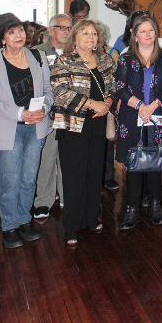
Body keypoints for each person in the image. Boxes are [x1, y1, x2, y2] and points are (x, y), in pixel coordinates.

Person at [0, 13, 53, 249]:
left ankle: (24, 220)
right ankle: (9, 226)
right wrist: (21, 113)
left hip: (36, 126)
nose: (18, 35)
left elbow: (49, 90)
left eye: (20, 30)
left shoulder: (38, 57)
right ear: (2, 39)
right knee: (10, 180)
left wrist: (44, 108)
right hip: (8, 129)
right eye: (11, 32)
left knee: (29, 178)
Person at [49, 19, 115, 246]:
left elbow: (113, 86)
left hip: (98, 124)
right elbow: (59, 92)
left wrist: (107, 101)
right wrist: (91, 103)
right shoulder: (64, 61)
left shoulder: (105, 60)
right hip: (73, 126)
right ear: (74, 37)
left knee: (94, 173)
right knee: (74, 175)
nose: (90, 37)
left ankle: (90, 216)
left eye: (94, 34)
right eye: (85, 33)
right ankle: (71, 225)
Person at [114, 14, 162, 228]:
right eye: (143, 31)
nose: (148, 35)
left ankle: (156, 205)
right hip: (133, 116)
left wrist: (152, 106)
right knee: (134, 162)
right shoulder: (125, 58)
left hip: (158, 115)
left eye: (151, 30)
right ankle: (132, 208)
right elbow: (119, 88)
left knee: (155, 160)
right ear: (134, 34)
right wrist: (141, 107)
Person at [31, 13, 72, 222]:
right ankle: (43, 201)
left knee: (68, 156)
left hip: (70, 113)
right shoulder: (36, 53)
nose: (65, 31)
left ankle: (67, 196)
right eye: (61, 27)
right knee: (46, 158)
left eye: (68, 28)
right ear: (50, 30)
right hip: (47, 113)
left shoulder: (76, 52)